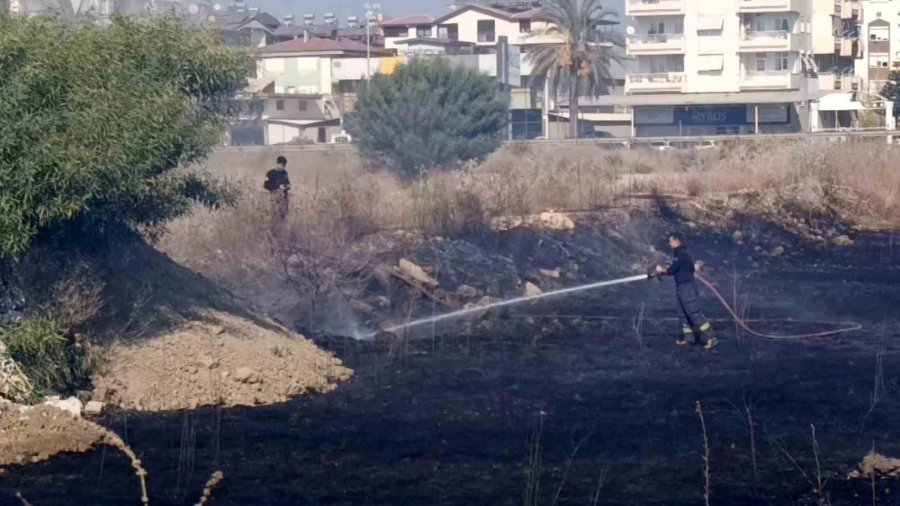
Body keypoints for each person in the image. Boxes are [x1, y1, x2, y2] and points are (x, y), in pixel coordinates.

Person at [656, 233, 718, 350]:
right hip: (681, 287)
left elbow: (673, 269)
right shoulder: (679, 254)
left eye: (671, 241)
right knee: (682, 314)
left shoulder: (682, 253)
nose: (669, 244)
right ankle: (689, 338)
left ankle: (711, 337)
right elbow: (677, 268)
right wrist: (664, 270)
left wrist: (662, 270)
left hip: (687, 288)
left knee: (693, 313)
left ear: (677, 241)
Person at [264, 156, 291, 225]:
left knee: (284, 216)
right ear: (277, 164)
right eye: (282, 165)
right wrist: (277, 187)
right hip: (275, 198)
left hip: (284, 198)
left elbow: (287, 182)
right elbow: (266, 186)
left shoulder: (285, 173)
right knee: (275, 215)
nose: (283, 167)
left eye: (284, 166)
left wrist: (287, 186)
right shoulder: (270, 173)